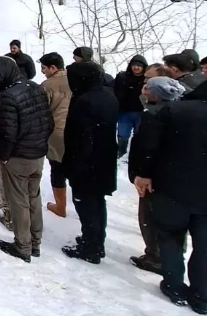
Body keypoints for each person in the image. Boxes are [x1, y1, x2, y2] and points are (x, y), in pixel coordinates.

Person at [128, 80, 206, 314]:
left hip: (172, 187)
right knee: (204, 245)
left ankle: (174, 284)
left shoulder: (173, 111)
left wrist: (144, 174)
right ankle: (202, 295)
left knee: (170, 236)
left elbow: (149, 147)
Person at [0, 56, 53, 262]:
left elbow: (7, 132)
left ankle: (23, 245)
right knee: (33, 197)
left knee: (18, 202)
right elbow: (48, 121)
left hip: (17, 157)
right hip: (37, 154)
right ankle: (35, 241)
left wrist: (4, 156)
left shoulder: (7, 96)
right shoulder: (36, 88)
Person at [61, 62, 119, 264]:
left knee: (87, 206)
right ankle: (96, 241)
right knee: (97, 203)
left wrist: (75, 166)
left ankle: (90, 248)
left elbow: (82, 139)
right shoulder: (107, 94)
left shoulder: (85, 101)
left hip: (87, 164)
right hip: (104, 159)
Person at [128, 73, 185, 274]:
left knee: (150, 217)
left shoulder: (154, 116)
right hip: (170, 175)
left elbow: (148, 148)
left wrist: (143, 173)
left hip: (153, 177)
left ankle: (156, 256)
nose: (142, 90)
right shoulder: (178, 112)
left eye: (147, 88)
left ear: (157, 94)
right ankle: (165, 253)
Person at [39, 52, 71, 218]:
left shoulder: (47, 86)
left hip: (56, 133)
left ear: (53, 67)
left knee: (57, 170)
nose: (42, 71)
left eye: (44, 68)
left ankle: (60, 206)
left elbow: (42, 113)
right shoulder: (76, 80)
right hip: (77, 131)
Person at [113, 55, 147, 158]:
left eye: (139, 66)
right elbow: (114, 90)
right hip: (124, 111)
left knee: (139, 134)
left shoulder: (147, 79)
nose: (136, 67)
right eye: (134, 65)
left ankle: (136, 153)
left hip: (140, 111)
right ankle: (121, 151)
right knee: (123, 133)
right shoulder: (122, 77)